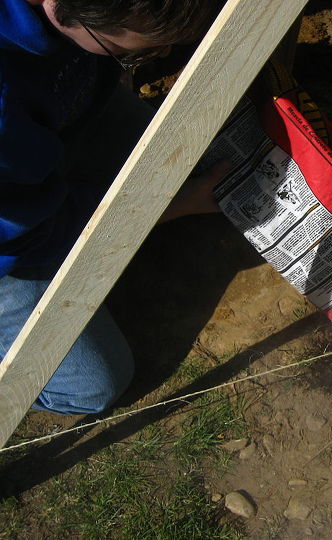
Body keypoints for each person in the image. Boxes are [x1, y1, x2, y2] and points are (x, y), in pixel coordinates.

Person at [0, 0, 227, 414]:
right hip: (11, 242)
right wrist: (169, 204)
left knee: (191, 155)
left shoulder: (79, 23)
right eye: (137, 53)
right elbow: (32, 237)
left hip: (50, 123)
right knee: (90, 387)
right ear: (59, 10)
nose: (160, 57)